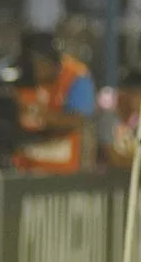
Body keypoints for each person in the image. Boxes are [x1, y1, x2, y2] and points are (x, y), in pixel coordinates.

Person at [12, 31, 96, 174]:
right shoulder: (22, 77)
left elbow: (78, 121)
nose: (32, 68)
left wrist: (38, 114)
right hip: (25, 168)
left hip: (63, 171)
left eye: (37, 63)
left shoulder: (76, 77)